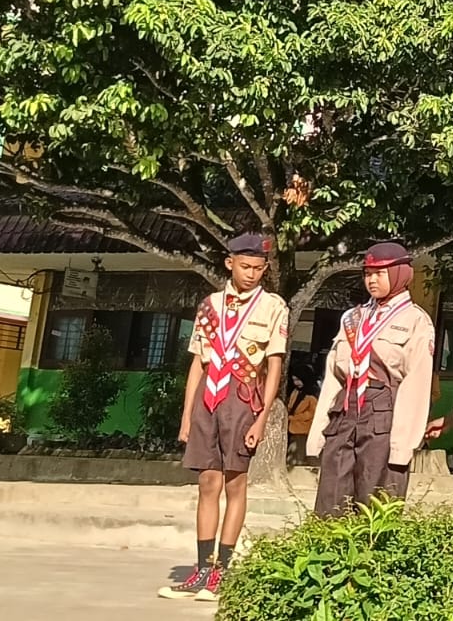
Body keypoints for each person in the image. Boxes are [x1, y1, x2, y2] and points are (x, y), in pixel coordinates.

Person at [159, 233, 289, 602]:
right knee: (207, 484)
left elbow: (274, 364)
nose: (252, 274)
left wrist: (261, 416)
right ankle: (201, 570)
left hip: (243, 399)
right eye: (245, 267)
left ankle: (223, 571)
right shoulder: (210, 305)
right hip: (208, 400)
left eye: (259, 269)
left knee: (235, 483)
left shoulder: (272, 305)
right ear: (228, 263)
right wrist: (187, 416)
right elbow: (197, 364)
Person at [308, 242, 435, 517]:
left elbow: (417, 385)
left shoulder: (416, 320)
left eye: (380, 273)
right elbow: (333, 377)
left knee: (376, 502)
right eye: (368, 273)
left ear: (401, 273)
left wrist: (403, 446)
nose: (372, 280)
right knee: (330, 502)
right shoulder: (351, 318)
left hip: (384, 411)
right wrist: (318, 431)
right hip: (344, 410)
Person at [285, 370, 318, 465]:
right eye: (294, 380)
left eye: (298, 380)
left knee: (299, 455)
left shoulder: (312, 394)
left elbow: (311, 413)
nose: (296, 383)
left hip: (303, 429)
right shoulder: (295, 392)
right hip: (292, 428)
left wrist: (294, 418)